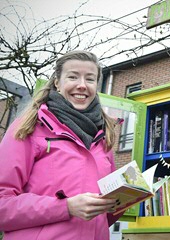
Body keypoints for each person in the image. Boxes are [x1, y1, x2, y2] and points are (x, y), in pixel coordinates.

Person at [0, 50, 124, 240]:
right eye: (73, 77)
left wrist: (122, 201)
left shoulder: (103, 137)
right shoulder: (29, 128)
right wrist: (65, 207)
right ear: (57, 82)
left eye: (90, 79)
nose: (82, 85)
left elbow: (104, 216)